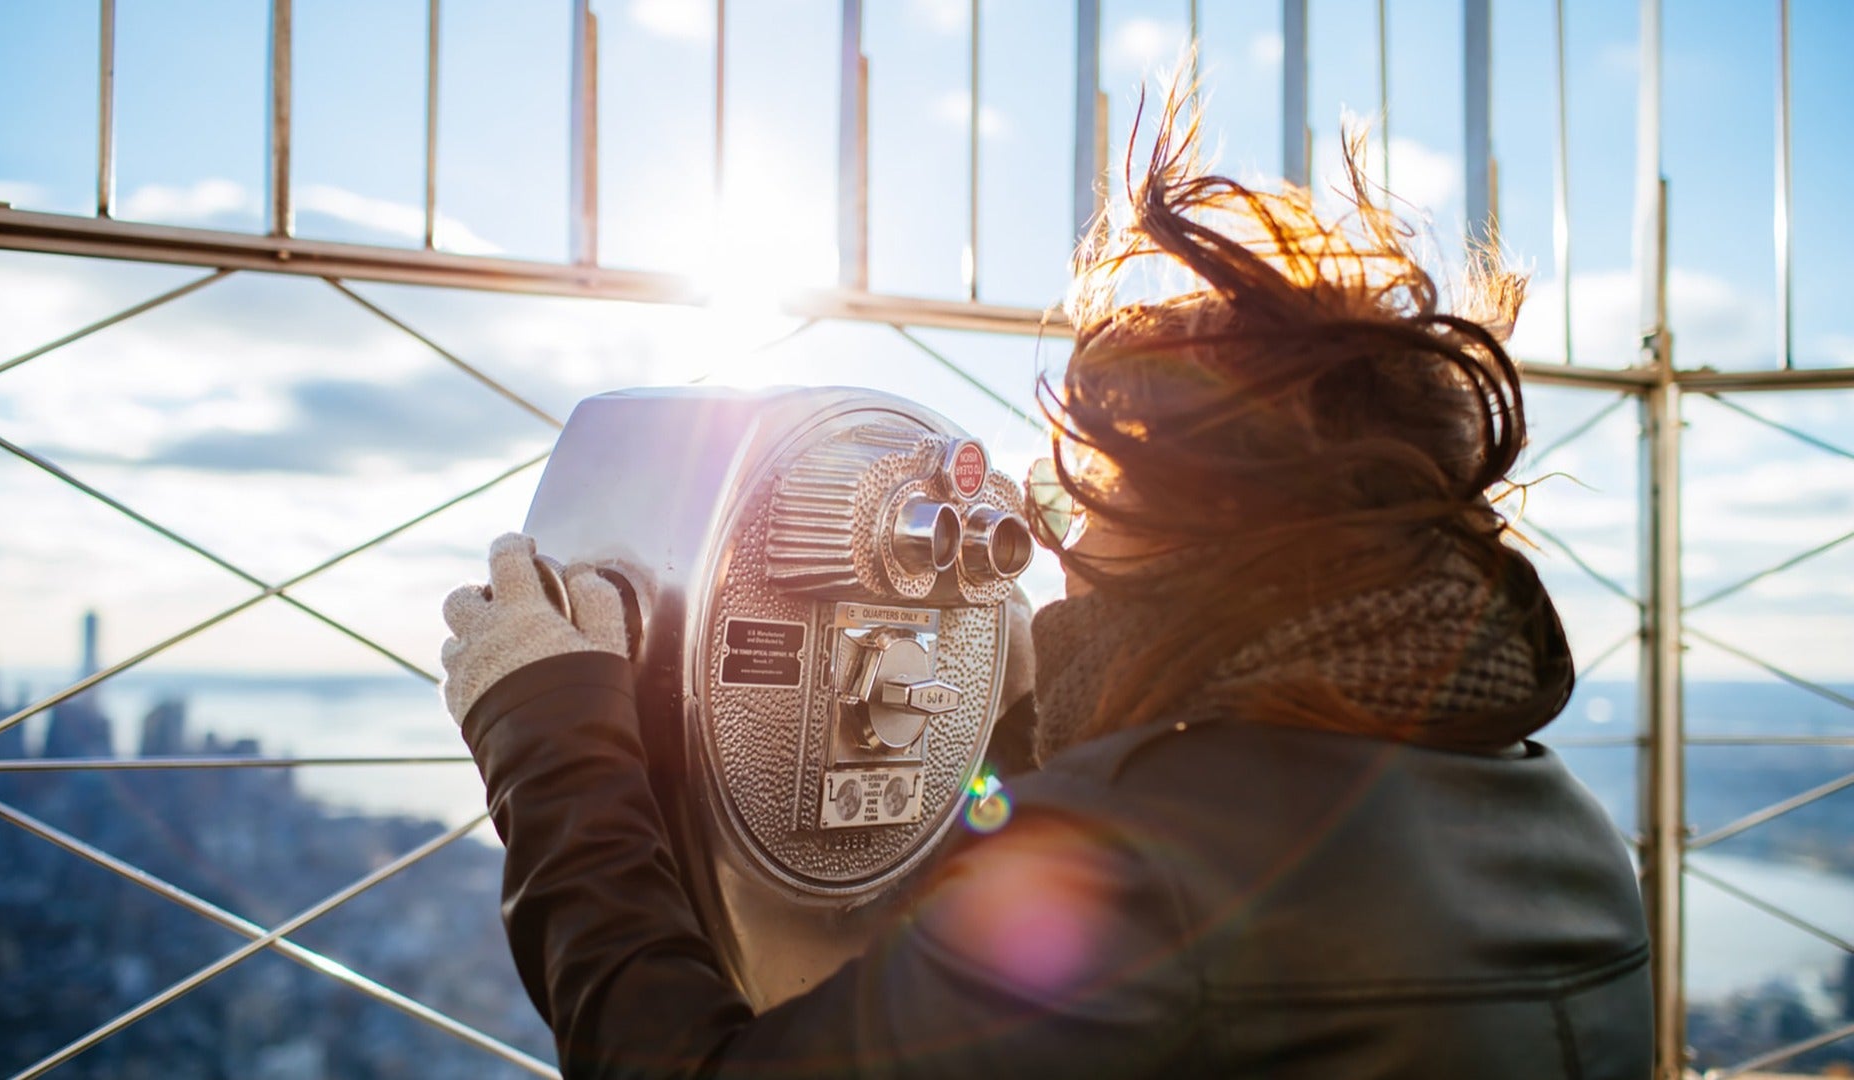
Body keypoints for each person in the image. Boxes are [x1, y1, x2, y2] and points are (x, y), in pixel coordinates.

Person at [441, 84, 1651, 1079]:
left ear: (1208, 534)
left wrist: (550, 730)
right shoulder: (1567, 833)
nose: (1060, 549)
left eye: (1091, 502)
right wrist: (1012, 730)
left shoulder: (1143, 868)